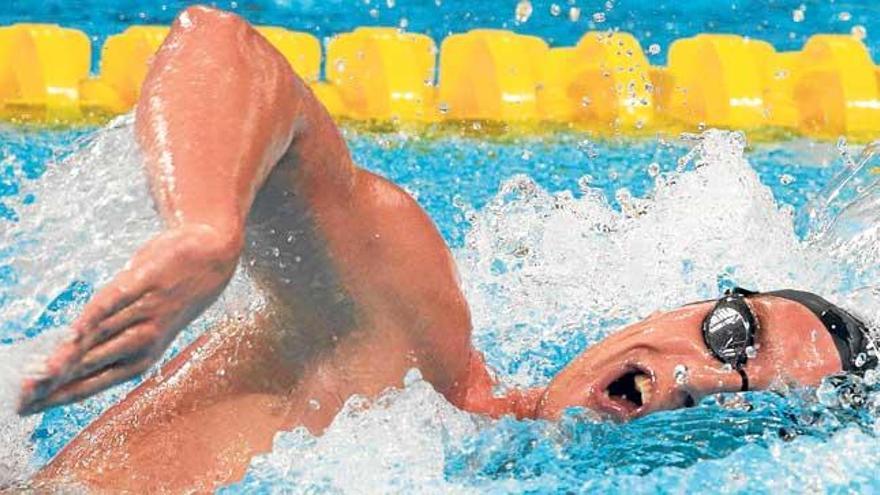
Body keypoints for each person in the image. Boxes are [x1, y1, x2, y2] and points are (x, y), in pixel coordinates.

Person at [13, 6, 876, 492]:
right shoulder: (409, 356)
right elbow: (226, 48)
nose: (707, 381)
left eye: (751, 404)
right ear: (678, 305)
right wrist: (206, 225)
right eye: (734, 334)